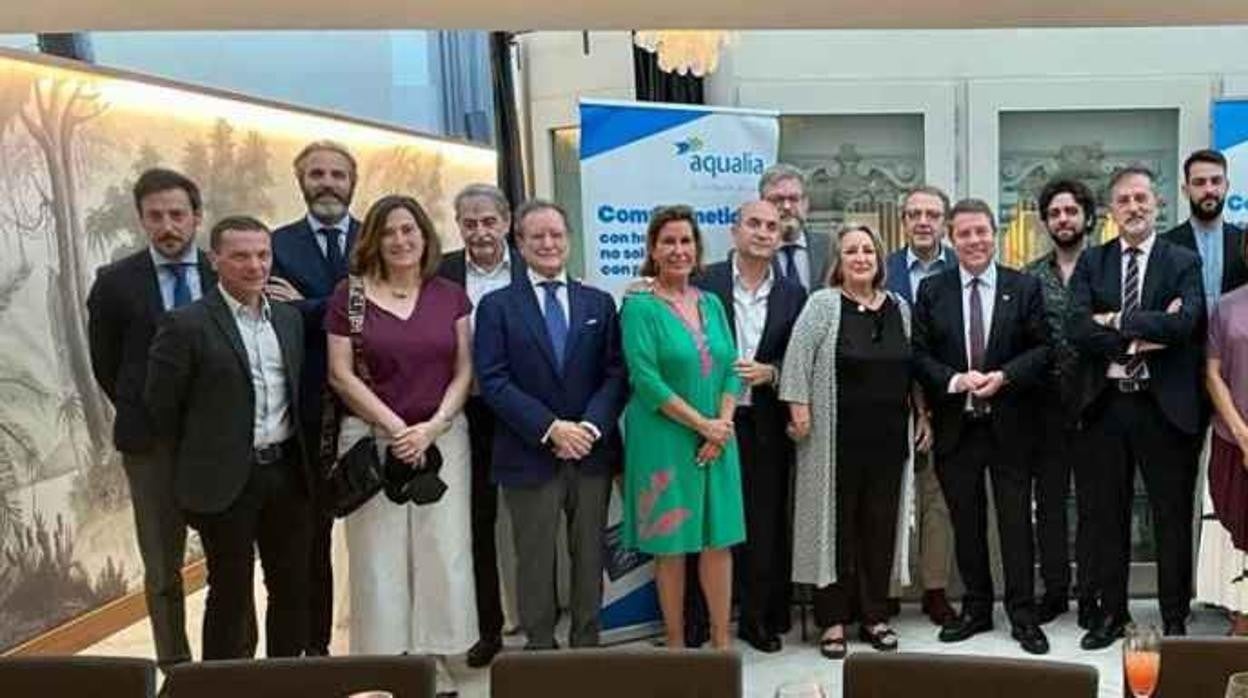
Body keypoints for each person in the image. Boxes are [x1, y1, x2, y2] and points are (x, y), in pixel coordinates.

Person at [325, 195, 475, 696]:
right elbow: (340, 374)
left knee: (442, 549)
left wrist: (432, 426)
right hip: (371, 437)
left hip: (443, 437)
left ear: (424, 237)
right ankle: (384, 666)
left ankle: (435, 657)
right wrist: (395, 428)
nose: (400, 240)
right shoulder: (350, 296)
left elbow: (464, 369)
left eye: (409, 230)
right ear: (373, 239)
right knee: (377, 555)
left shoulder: (449, 294)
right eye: (388, 231)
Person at [146, 215, 312, 660]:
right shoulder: (185, 325)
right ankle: (221, 685)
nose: (254, 266)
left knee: (291, 588)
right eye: (240, 256)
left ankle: (285, 683)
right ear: (214, 259)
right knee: (230, 594)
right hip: (224, 482)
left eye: (263, 255)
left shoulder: (290, 320)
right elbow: (162, 410)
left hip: (285, 474)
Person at [474, 199, 627, 650]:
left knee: (589, 556)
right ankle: (539, 649)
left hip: (591, 452)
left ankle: (586, 645)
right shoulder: (496, 306)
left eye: (556, 234)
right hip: (528, 452)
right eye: (536, 236)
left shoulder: (598, 302)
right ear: (518, 243)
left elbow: (616, 374)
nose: (547, 243)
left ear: (568, 240)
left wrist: (589, 429)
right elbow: (494, 380)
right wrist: (550, 428)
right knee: (535, 559)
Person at [1070, 166, 1205, 648]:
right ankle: (1112, 614)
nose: (1134, 207)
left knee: (1170, 516)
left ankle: (1173, 616)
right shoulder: (1093, 262)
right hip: (1106, 407)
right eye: (1124, 200)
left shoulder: (1182, 260)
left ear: (1158, 203)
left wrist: (1117, 319)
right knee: (1107, 516)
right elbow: (1077, 329)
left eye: (1142, 198)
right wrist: (1143, 336)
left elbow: (1186, 323)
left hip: (1163, 408)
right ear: (1111, 211)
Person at [782, 224, 929, 658]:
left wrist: (922, 413)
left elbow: (911, 367)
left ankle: (874, 615)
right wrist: (799, 410)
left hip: (888, 442)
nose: (861, 257)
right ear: (839, 261)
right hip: (833, 442)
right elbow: (796, 363)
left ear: (880, 260)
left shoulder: (899, 307)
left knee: (879, 529)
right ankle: (832, 621)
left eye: (868, 250)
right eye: (852, 251)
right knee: (836, 530)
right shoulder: (823, 305)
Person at [87, 168, 214, 668]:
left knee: (230, 560)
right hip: (151, 447)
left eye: (177, 215)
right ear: (141, 219)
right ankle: (175, 667)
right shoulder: (115, 283)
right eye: (155, 216)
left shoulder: (221, 271)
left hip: (216, 440)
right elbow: (106, 365)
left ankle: (231, 666)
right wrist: (146, 411)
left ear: (196, 218)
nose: (168, 226)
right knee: (163, 569)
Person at [912, 198, 1051, 655]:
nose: (974, 240)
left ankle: (1023, 615)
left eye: (982, 232)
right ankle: (975, 608)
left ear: (996, 234)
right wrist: (953, 381)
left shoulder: (1024, 286)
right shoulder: (933, 290)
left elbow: (1043, 350)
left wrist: (1005, 376)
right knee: (965, 524)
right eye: (965, 233)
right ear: (952, 238)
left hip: (1011, 426)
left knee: (1015, 525)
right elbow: (919, 354)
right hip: (958, 426)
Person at [620, 205, 745, 650]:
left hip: (718, 437)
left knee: (718, 541)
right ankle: (674, 646)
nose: (678, 250)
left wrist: (722, 424)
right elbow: (645, 379)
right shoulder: (639, 307)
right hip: (665, 439)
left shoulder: (711, 302)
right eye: (668, 241)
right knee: (671, 547)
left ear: (698, 249)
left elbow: (731, 366)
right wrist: (704, 426)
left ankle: (720, 642)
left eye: (686, 241)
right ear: (653, 249)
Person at [694, 199, 806, 652]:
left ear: (781, 237)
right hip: (707, 422)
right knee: (707, 523)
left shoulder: (793, 294)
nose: (763, 232)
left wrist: (773, 373)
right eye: (754, 224)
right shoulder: (704, 284)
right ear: (735, 231)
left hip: (763, 423)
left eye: (772, 227)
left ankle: (756, 618)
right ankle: (701, 618)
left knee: (763, 524)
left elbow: (801, 356)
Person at [268, 140, 362, 656]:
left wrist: (307, 305)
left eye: (338, 174)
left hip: (376, 401)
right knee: (310, 540)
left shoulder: (384, 236)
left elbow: (384, 307)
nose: (328, 183)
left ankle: (387, 641)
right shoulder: (275, 245)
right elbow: (277, 314)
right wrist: (348, 301)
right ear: (300, 179)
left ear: (353, 181)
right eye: (317, 174)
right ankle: (316, 649)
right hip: (303, 411)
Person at [437, 183, 524, 666]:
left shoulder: (533, 263)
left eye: (489, 221)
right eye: (469, 223)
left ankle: (541, 622)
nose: (480, 232)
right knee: (476, 523)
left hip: (526, 413)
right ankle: (485, 629)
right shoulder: (442, 273)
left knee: (535, 522)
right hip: (464, 414)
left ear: (507, 222)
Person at [1022, 178, 1098, 628]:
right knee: (1048, 503)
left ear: (1088, 216)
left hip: (1097, 405)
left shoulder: (1106, 268)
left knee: (1093, 505)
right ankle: (1053, 591)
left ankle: (1090, 593)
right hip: (1045, 407)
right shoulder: (1031, 276)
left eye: (1071, 211)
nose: (1063, 220)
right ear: (1046, 222)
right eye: (1054, 213)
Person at [883, 185, 958, 625]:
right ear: (904, 220)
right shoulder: (883, 268)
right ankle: (889, 588)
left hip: (946, 398)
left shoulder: (961, 265)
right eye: (915, 214)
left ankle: (934, 589)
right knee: (890, 499)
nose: (923, 222)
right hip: (889, 401)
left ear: (944, 221)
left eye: (932, 214)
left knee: (938, 500)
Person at [1202, 281, 1248, 635]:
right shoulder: (1227, 306)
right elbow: (1213, 373)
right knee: (1237, 524)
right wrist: (1243, 434)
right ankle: (1242, 611)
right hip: (1232, 436)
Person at [760, 164, 831, 292]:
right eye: (777, 199)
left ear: (806, 203)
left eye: (794, 199)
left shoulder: (831, 247)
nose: (787, 206)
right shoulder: (749, 252)